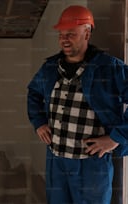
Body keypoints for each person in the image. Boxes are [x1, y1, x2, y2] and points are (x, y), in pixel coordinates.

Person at [27, 5, 128, 204]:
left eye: (71, 33)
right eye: (61, 34)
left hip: (92, 165)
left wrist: (117, 137)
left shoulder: (109, 68)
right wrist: (39, 121)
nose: (64, 39)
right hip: (57, 160)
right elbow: (33, 93)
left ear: (87, 33)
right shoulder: (49, 68)